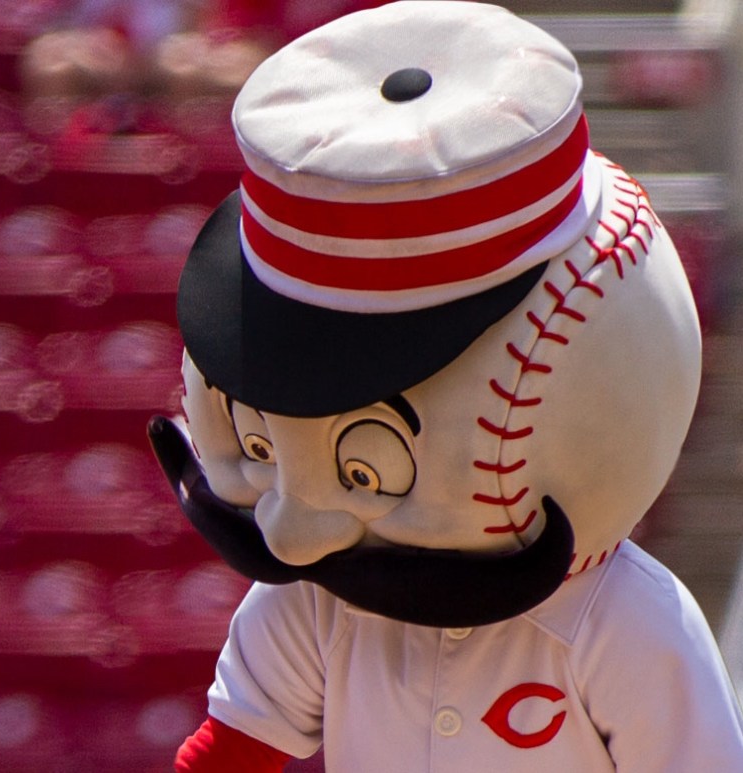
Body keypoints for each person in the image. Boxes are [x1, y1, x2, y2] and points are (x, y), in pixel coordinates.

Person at [149, 2, 743, 769]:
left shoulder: (625, 619)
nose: (293, 535)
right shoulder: (315, 601)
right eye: (262, 447)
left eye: (364, 471)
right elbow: (231, 751)